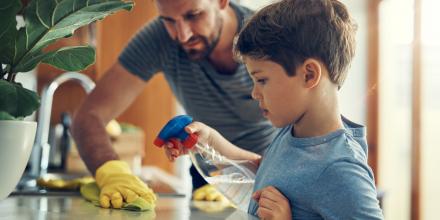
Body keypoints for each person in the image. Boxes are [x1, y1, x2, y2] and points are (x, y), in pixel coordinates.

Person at [164, 0, 384, 219]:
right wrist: (209, 142)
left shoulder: (341, 170)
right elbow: (268, 171)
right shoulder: (294, 132)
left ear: (309, 75)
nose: (254, 93)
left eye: (262, 80)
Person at [71, 0, 278, 209]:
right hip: (210, 181)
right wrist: (112, 172)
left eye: (194, 15)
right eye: (169, 20)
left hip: (275, 175)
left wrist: (258, 177)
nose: (182, 35)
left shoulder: (269, 36)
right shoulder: (158, 38)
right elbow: (89, 116)